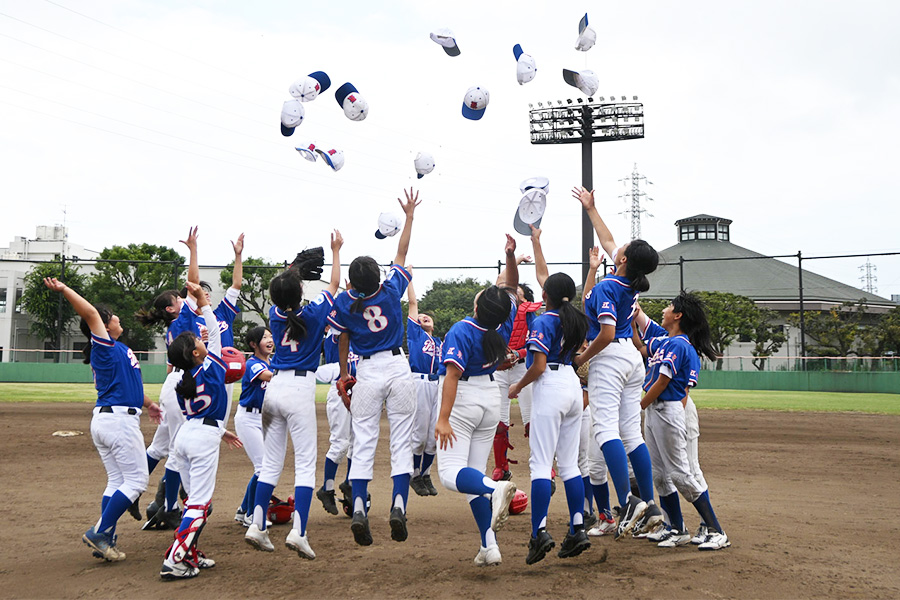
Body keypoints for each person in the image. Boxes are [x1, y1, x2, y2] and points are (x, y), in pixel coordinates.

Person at [44, 277, 161, 562]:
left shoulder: (118, 348)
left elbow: (127, 385)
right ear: (105, 326)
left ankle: (105, 538)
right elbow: (91, 314)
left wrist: (149, 404)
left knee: (116, 481)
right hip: (118, 422)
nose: (116, 318)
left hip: (110, 419)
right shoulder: (105, 344)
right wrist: (65, 290)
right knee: (135, 482)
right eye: (112, 317)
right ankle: (100, 531)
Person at [329, 188, 420, 546]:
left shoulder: (343, 302)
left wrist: (343, 372)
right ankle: (398, 505)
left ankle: (360, 511)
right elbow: (402, 251)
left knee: (363, 442)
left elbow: (341, 339)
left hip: (365, 373)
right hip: (398, 369)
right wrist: (409, 215)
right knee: (401, 442)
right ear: (377, 278)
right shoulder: (390, 288)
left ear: (352, 282)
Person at [244, 232, 343, 559]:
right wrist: (336, 251)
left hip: (274, 390)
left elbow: (284, 286)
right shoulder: (313, 313)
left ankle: (257, 525)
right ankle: (299, 532)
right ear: (300, 291)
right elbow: (333, 286)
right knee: (304, 466)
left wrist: (295, 268)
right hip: (300, 390)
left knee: (271, 464)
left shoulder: (274, 314)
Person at [571, 186, 662, 539]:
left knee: (605, 430)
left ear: (623, 260)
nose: (617, 248)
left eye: (620, 251)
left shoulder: (610, 286)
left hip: (610, 356)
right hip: (632, 359)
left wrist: (583, 356)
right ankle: (648, 504)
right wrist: (592, 209)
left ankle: (628, 501)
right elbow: (608, 239)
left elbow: (605, 334)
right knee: (630, 434)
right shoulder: (631, 279)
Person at [434, 234, 520, 567]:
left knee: (450, 474)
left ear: (475, 306)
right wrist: (510, 257)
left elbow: (452, 376)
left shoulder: (461, 329)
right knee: (471, 474)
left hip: (466, 399)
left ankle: (494, 488)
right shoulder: (503, 323)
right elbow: (510, 288)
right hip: (490, 398)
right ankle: (489, 546)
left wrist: (443, 418)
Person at [507, 226, 591, 564]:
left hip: (551, 386)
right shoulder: (577, 319)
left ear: (549, 295)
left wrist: (518, 385)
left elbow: (539, 366)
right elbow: (547, 279)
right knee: (569, 464)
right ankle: (578, 527)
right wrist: (537, 242)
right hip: (573, 385)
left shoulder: (542, 321)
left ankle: (539, 531)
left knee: (541, 464)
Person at [632, 294, 730, 550]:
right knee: (660, 475)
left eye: (669, 307)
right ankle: (676, 527)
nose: (664, 310)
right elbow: (641, 348)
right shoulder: (666, 342)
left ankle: (716, 530)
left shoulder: (680, 345)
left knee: (680, 473)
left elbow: (662, 382)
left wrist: (639, 406)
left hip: (668, 410)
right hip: (655, 412)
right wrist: (631, 321)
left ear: (678, 316)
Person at [160, 281, 241, 580]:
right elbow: (216, 330)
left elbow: (197, 414)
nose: (202, 341)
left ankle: (190, 553)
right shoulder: (212, 366)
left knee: (196, 502)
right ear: (195, 353)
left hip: (186, 437)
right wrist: (203, 302)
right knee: (199, 503)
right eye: (197, 342)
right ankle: (175, 559)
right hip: (203, 439)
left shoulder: (182, 382)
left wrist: (223, 431)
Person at [492, 254, 541, 482]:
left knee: (532, 420)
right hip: (500, 369)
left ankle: (541, 465)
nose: (514, 296)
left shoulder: (530, 313)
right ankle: (501, 467)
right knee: (498, 421)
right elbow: (501, 283)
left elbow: (533, 342)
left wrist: (517, 353)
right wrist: (516, 258)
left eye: (518, 294)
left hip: (523, 368)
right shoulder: (499, 311)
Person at [315, 326, 359, 516]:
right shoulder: (335, 333)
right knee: (341, 444)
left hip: (359, 390)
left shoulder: (360, 338)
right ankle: (327, 488)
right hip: (340, 390)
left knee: (357, 443)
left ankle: (349, 483)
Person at [233, 326, 273, 527]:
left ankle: (243, 510)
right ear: (253, 344)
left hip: (264, 419)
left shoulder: (272, 362)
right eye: (264, 337)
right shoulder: (252, 363)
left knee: (264, 467)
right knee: (264, 468)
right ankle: (251, 514)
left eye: (270, 336)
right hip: (248, 419)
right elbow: (268, 377)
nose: (270, 339)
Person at [406, 277, 443, 497]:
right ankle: (414, 474)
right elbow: (412, 304)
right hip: (419, 382)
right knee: (419, 436)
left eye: (426, 317)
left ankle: (426, 473)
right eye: (419, 317)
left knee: (433, 438)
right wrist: (409, 279)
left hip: (437, 386)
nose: (422, 317)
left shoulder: (440, 342)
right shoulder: (415, 335)